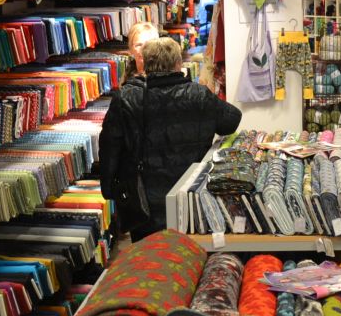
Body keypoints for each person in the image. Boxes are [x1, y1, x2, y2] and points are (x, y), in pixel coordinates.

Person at [100, 37, 242, 241]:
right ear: (178, 63)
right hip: (191, 196)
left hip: (144, 201)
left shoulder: (126, 98)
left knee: (150, 254)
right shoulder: (198, 95)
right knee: (191, 250)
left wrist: (108, 187)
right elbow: (232, 120)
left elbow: (109, 147)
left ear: (145, 64)